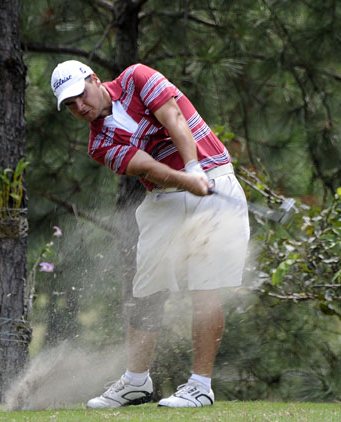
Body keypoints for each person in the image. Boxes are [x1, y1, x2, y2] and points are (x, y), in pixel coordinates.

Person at [50, 60, 249, 408]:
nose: (79, 108)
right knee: (146, 292)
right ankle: (136, 382)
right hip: (164, 197)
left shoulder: (136, 77)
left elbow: (173, 116)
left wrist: (193, 168)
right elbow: (147, 167)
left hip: (213, 177)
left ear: (94, 80)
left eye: (80, 96)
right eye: (70, 105)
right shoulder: (99, 144)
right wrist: (186, 180)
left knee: (204, 287)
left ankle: (200, 385)